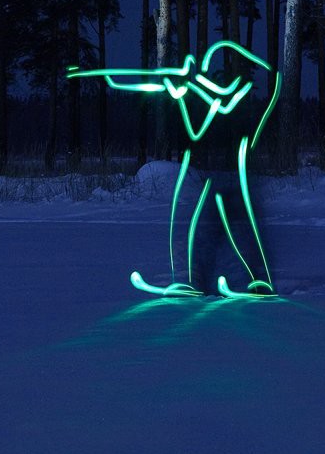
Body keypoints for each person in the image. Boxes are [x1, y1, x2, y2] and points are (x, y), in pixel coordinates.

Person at [69, 39, 278, 299]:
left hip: (235, 178)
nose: (204, 79)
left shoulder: (241, 103)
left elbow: (198, 129)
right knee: (191, 231)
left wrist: (188, 95)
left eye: (209, 75)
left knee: (239, 231)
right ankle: (193, 281)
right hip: (206, 176)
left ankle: (256, 282)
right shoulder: (209, 98)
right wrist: (114, 81)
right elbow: (155, 90)